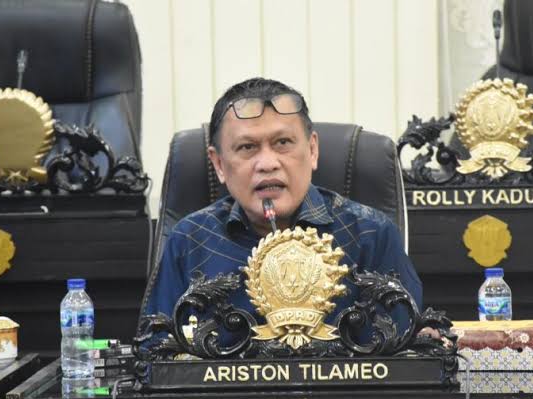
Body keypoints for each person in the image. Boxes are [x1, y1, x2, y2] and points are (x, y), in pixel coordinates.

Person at [141, 77, 422, 339]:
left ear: (312, 150)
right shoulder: (190, 240)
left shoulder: (371, 234)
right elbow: (156, 352)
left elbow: (407, 351)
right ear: (219, 164)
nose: (267, 163)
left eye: (283, 143)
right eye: (247, 147)